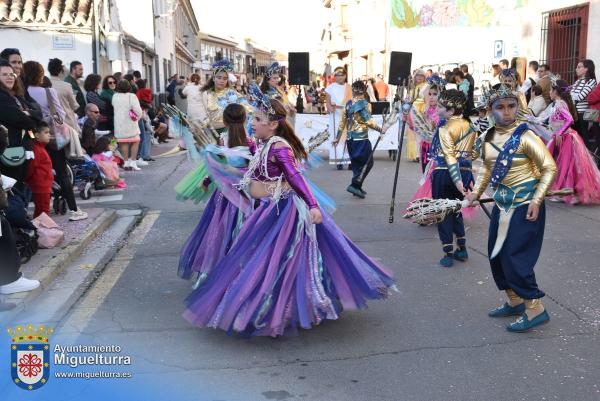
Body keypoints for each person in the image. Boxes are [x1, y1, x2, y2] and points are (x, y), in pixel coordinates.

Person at [182, 95, 395, 337]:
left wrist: (313, 206)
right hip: (267, 209)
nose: (252, 123)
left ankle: (286, 307)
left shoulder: (279, 147)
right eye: (252, 118)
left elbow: (295, 178)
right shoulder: (264, 143)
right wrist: (220, 174)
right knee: (264, 257)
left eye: (258, 119)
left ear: (273, 124)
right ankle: (275, 306)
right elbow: (252, 175)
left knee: (283, 258)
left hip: (286, 212)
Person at [466, 83, 557, 333]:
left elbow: (549, 168)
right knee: (496, 254)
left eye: (511, 106)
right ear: (490, 110)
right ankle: (515, 301)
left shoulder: (526, 136)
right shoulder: (489, 137)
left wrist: (537, 200)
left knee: (515, 257)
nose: (507, 112)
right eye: (500, 107)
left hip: (526, 204)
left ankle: (535, 307)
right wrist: (475, 193)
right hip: (502, 203)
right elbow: (486, 167)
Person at [177, 103, 256, 285]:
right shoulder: (251, 141)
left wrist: (206, 181)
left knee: (220, 231)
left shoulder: (221, 141)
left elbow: (215, 167)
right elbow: (256, 168)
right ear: (245, 120)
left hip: (224, 196)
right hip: (246, 193)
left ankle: (219, 268)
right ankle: (243, 268)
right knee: (242, 229)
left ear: (225, 122)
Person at [23, 61, 88, 221]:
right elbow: (60, 114)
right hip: (51, 138)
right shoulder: (48, 91)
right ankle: (74, 209)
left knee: (32, 172)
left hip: (31, 136)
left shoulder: (23, 92)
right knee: (62, 172)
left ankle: (33, 211)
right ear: (40, 74)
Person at [529, 79, 600, 205]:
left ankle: (565, 191)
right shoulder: (557, 103)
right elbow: (544, 119)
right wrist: (531, 119)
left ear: (556, 92)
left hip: (566, 137)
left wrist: (560, 132)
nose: (549, 92)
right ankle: (566, 190)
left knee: (566, 165)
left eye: (551, 90)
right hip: (562, 136)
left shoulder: (560, 104)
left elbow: (569, 119)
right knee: (562, 165)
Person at [429, 89, 477, 267]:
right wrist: (462, 177)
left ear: (450, 111)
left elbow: (449, 156)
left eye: (440, 106)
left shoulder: (445, 128)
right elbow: (475, 151)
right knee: (456, 209)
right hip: (465, 172)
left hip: (445, 173)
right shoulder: (470, 126)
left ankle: (448, 253)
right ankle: (462, 248)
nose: (437, 108)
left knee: (443, 212)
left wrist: (456, 180)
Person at [333, 80, 387, 198]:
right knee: (368, 163)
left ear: (353, 90)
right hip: (361, 139)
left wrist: (337, 138)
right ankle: (354, 185)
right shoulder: (365, 104)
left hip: (350, 140)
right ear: (364, 90)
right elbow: (368, 121)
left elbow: (342, 122)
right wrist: (380, 129)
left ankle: (357, 187)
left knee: (357, 165)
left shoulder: (348, 104)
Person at [0, 60, 39, 184]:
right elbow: (20, 119)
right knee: (14, 192)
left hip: (21, 150)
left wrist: (29, 116)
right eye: (4, 74)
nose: (9, 77)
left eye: (11, 74)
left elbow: (39, 112)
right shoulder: (2, 97)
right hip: (8, 152)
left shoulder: (15, 96)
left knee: (22, 190)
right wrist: (30, 120)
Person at [200, 60, 249, 136]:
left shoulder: (233, 94)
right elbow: (203, 117)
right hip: (211, 133)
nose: (222, 81)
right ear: (213, 78)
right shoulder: (206, 94)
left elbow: (246, 111)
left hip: (230, 134)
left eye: (225, 78)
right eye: (219, 77)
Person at [112, 79, 143, 171]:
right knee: (136, 140)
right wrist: (138, 116)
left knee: (123, 142)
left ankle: (126, 162)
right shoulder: (131, 96)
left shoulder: (115, 96)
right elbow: (137, 110)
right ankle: (133, 162)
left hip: (119, 124)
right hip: (130, 123)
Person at [325, 67, 352, 167]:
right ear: (334, 77)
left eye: (342, 75)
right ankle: (339, 160)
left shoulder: (349, 87)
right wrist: (329, 108)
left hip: (348, 114)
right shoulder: (330, 88)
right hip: (335, 115)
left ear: (345, 76)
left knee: (348, 138)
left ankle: (349, 161)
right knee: (337, 137)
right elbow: (327, 102)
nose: (340, 77)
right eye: (338, 75)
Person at [25, 122, 53, 218]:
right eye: (46, 132)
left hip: (44, 184)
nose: (49, 134)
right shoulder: (37, 149)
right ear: (37, 135)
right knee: (43, 210)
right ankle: (42, 230)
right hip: (41, 185)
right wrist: (27, 179)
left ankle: (39, 229)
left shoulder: (40, 148)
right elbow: (32, 167)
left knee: (40, 210)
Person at [47, 58, 81, 135]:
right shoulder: (67, 86)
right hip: (67, 124)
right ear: (60, 71)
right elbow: (74, 106)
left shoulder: (44, 85)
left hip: (51, 126)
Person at [570, 59, 597, 150]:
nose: (576, 69)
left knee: (584, 137)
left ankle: (587, 159)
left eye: (579, 67)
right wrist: (573, 96)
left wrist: (573, 96)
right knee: (575, 136)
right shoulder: (578, 81)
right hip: (574, 112)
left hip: (584, 114)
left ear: (586, 69)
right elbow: (571, 96)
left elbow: (581, 96)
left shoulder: (591, 81)